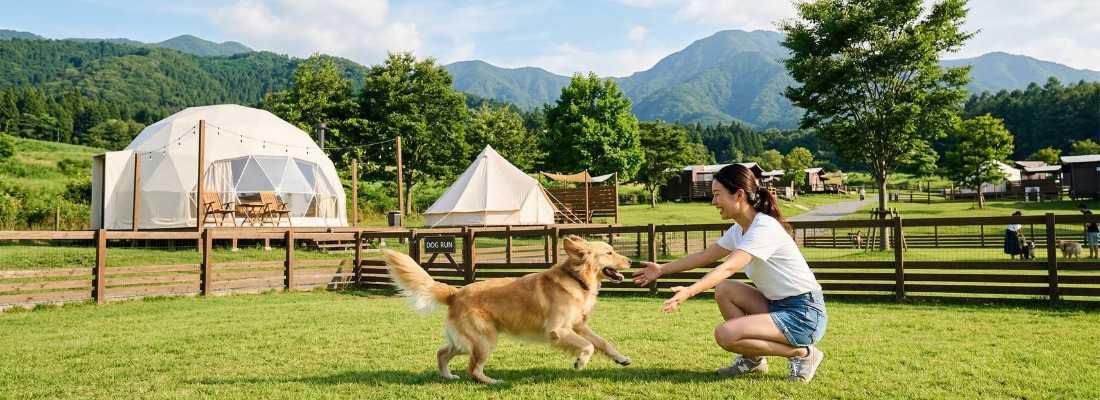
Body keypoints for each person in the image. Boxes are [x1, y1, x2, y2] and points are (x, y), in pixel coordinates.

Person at [632, 164, 827, 382]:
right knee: (725, 289)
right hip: (777, 305)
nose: (713, 202)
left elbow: (728, 267)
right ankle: (753, 360)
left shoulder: (764, 228)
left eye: (717, 195)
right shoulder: (740, 229)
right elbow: (704, 256)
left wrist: (690, 291)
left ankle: (803, 354)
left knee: (725, 334)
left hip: (804, 314)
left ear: (739, 195)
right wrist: (661, 269)